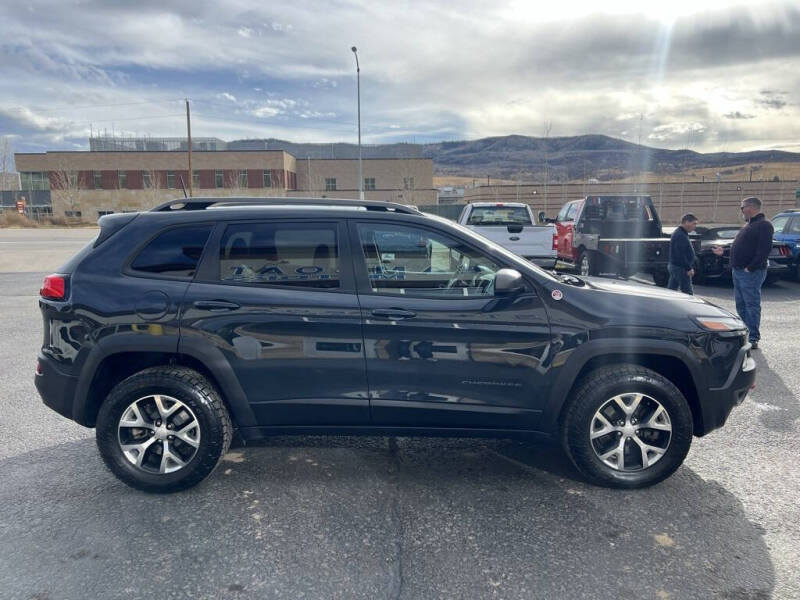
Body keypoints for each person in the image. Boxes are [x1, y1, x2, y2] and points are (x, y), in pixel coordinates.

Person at [713, 196, 773, 349]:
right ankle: (745, 333)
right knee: (741, 304)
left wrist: (750, 267)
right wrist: (724, 251)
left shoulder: (764, 225)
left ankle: (753, 338)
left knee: (751, 304)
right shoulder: (748, 225)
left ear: (751, 208)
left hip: (750, 272)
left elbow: (763, 251)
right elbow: (741, 247)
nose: (741, 211)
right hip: (738, 271)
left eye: (742, 207)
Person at [668, 213, 698, 294]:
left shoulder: (681, 233)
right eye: (694, 223)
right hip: (681, 268)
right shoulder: (680, 235)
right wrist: (688, 268)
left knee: (671, 290)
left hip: (676, 266)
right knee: (688, 292)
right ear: (686, 222)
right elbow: (680, 254)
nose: (695, 226)